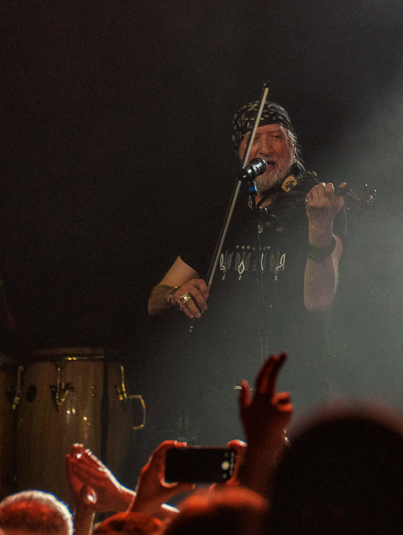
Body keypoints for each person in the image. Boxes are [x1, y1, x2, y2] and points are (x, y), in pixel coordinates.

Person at [147, 99, 344, 437]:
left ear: (293, 147)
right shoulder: (222, 218)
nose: (265, 148)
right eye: (253, 139)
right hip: (223, 397)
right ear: (240, 153)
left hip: (296, 393)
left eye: (276, 137)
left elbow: (318, 301)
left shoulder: (313, 211)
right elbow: (155, 299)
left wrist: (319, 230)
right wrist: (177, 296)